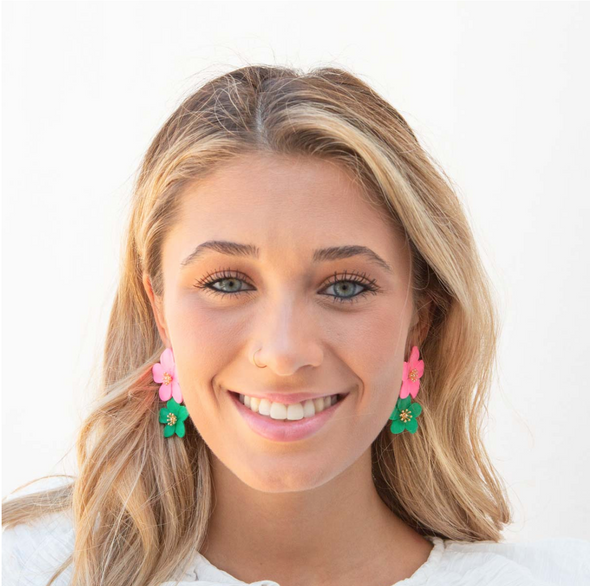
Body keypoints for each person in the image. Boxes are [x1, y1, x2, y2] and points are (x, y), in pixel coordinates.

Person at [3, 65, 589, 586]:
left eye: (345, 287)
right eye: (227, 283)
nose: (283, 353)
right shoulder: (27, 568)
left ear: (422, 319)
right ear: (159, 310)